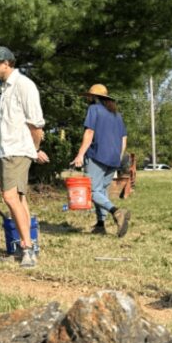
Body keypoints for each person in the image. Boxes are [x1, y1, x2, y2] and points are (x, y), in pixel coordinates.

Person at [0, 46, 49, 269]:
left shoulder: (24, 85)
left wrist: (33, 149)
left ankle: (28, 249)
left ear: (6, 63)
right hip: (7, 150)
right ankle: (26, 248)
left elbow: (36, 124)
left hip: (17, 151)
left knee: (9, 197)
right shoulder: (6, 88)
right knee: (19, 200)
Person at [71, 84, 130, 237]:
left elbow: (89, 132)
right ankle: (100, 225)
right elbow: (123, 139)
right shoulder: (117, 115)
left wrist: (80, 154)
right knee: (102, 191)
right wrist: (117, 157)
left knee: (92, 191)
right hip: (114, 158)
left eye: (89, 96)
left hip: (97, 155)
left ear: (94, 97)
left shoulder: (94, 109)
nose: (88, 99)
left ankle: (117, 212)